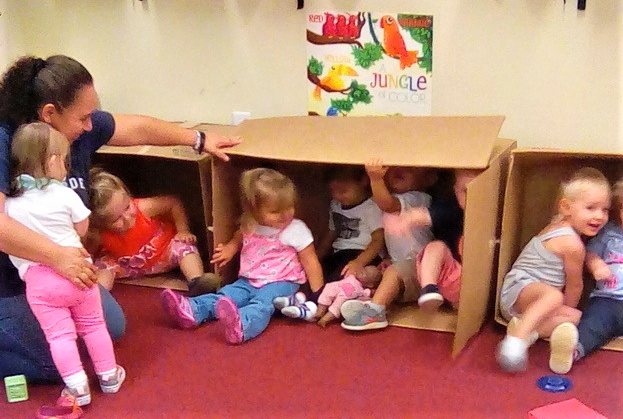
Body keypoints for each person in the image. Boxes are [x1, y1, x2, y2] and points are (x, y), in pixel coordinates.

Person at [0, 54, 240, 382]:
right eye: (83, 117)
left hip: (61, 273)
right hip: (13, 283)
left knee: (108, 328)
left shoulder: (76, 131)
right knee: (62, 361)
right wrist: (57, 257)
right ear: (49, 114)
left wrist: (199, 139)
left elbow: (137, 127)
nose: (90, 125)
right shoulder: (6, 142)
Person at [5, 123, 124, 406]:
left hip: (40, 282)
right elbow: (82, 229)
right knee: (94, 325)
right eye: (65, 160)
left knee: (59, 336)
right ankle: (109, 376)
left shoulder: (10, 205)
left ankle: (77, 388)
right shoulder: (64, 194)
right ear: (53, 161)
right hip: (79, 271)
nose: (67, 168)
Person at [160, 168, 324, 344]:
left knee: (263, 303)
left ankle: (243, 324)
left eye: (289, 207)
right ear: (253, 210)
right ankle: (193, 309)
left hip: (282, 282)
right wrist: (231, 247)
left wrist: (318, 294)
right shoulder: (250, 223)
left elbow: (310, 261)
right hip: (247, 280)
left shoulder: (295, 229)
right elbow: (241, 235)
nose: (285, 215)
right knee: (226, 295)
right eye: (276, 211)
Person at [496, 167, 611, 373]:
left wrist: (565, 314)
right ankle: (514, 342)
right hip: (519, 290)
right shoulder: (571, 243)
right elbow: (575, 286)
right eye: (591, 208)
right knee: (555, 297)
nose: (600, 216)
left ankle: (525, 329)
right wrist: (561, 310)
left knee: (578, 318)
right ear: (566, 208)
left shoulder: (559, 225)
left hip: (531, 305)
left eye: (605, 210)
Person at [88, 168, 220, 296]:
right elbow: (90, 252)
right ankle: (97, 295)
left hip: (163, 255)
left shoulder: (144, 208)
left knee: (184, 246)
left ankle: (197, 282)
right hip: (128, 264)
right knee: (102, 265)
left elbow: (173, 202)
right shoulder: (98, 233)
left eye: (127, 207)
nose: (127, 218)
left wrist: (183, 230)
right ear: (100, 223)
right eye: (116, 219)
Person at [340, 160, 436, 330]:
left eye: (411, 167)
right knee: (369, 273)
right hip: (400, 267)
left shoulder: (418, 198)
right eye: (394, 165)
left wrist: (375, 178)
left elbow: (388, 204)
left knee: (393, 272)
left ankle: (375, 312)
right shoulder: (383, 201)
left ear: (429, 180)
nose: (400, 169)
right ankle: (366, 299)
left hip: (421, 268)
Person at [381, 169, 477, 313]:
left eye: (478, 192)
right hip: (451, 277)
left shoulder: (490, 214)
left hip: (474, 285)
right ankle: (429, 289)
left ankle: (456, 301)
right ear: (455, 191)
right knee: (436, 247)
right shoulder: (453, 209)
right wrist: (408, 219)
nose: (472, 197)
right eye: (464, 191)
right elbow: (430, 215)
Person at [558, 178, 623, 374]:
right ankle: (571, 351)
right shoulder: (609, 233)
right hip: (607, 300)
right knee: (592, 324)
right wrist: (596, 265)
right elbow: (589, 253)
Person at [316, 165, 385, 284]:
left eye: (343, 191)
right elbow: (331, 233)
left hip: (362, 253)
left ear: (363, 181)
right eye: (333, 191)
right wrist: (317, 256)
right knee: (320, 273)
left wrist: (359, 262)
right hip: (338, 253)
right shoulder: (335, 205)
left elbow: (378, 240)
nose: (337, 196)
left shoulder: (371, 207)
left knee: (340, 277)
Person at [310, 265, 382, 327]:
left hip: (345, 296)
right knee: (328, 289)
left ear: (370, 285)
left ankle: (326, 318)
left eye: (366, 273)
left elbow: (368, 295)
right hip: (338, 286)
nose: (362, 271)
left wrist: (372, 292)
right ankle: (320, 311)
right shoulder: (352, 276)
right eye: (364, 269)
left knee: (338, 304)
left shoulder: (363, 290)